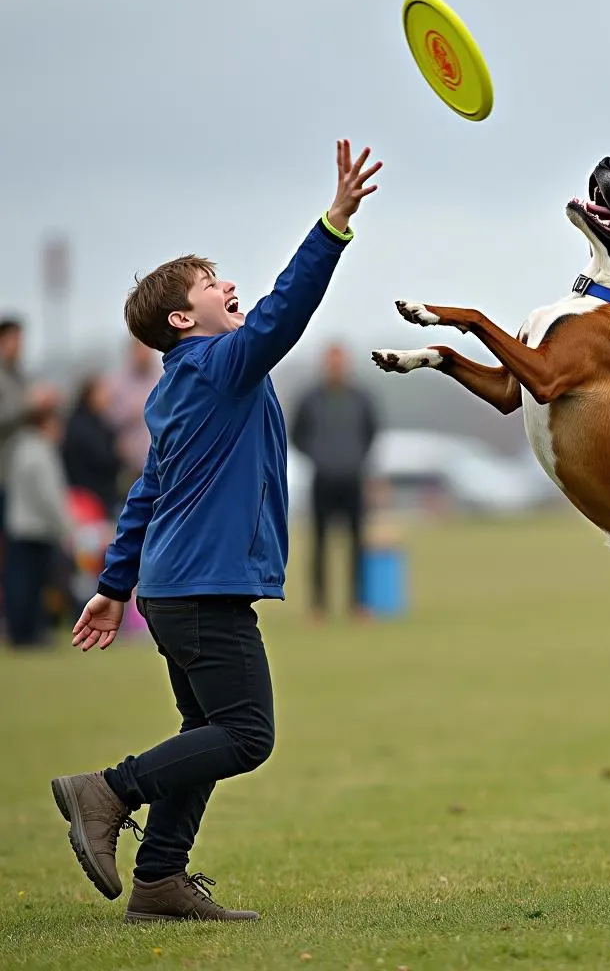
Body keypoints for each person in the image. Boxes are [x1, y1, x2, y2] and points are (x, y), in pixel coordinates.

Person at [50, 139, 381, 923]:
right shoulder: (217, 365)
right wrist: (332, 224)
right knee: (245, 733)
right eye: (211, 284)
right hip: (200, 591)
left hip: (175, 588)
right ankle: (105, 792)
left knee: (205, 728)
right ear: (181, 318)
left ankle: (160, 879)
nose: (228, 285)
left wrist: (110, 587)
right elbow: (281, 313)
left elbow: (144, 497)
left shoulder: (180, 389)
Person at [290, 342, 379, 621]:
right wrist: (318, 456)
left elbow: (372, 432)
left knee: (357, 544)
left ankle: (358, 604)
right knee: (319, 544)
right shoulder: (311, 398)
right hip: (323, 480)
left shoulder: (361, 398)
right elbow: (296, 434)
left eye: (340, 361)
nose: (336, 366)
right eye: (332, 361)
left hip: (353, 479)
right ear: (325, 364)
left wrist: (356, 458)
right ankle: (318, 606)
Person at [4, 402, 73, 648]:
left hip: (22, 527)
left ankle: (22, 632)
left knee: (21, 582)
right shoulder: (40, 451)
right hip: (35, 529)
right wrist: (67, 527)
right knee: (29, 585)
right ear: (46, 423)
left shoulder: (21, 447)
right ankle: (28, 634)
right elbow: (49, 496)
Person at [105, 337, 161, 496]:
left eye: (148, 351)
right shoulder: (117, 383)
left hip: (161, 460)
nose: (145, 356)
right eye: (140, 352)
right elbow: (109, 419)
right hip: (131, 465)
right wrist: (132, 411)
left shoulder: (161, 377)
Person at [62, 374, 124, 517]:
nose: (107, 397)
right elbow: (103, 458)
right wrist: (117, 454)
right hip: (90, 497)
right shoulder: (83, 426)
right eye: (102, 392)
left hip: (94, 494)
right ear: (90, 396)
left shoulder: (95, 422)